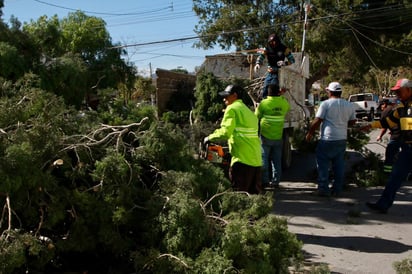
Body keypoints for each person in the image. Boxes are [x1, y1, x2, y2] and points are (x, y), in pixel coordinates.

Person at [204, 84, 262, 194]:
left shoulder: (232, 109)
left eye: (227, 96)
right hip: (256, 160)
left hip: (242, 160)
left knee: (239, 195)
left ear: (235, 95)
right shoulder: (248, 111)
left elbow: (225, 132)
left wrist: (209, 137)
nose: (224, 98)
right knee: (254, 198)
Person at [364, 78, 412, 213]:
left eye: (399, 91)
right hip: (407, 149)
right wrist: (370, 125)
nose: (397, 95)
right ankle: (383, 205)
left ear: (408, 90)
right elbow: (388, 122)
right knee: (395, 177)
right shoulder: (401, 108)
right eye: (396, 92)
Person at [305, 82, 356, 196]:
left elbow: (318, 120)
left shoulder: (326, 104)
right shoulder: (349, 105)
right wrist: (342, 122)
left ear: (330, 92)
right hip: (341, 139)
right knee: (338, 165)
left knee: (323, 164)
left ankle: (323, 189)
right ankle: (337, 189)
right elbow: (353, 122)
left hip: (328, 138)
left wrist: (310, 133)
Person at [255, 84, 290, 188]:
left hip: (265, 135)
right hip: (278, 135)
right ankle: (276, 181)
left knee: (264, 159)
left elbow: (256, 116)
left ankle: (265, 181)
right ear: (278, 92)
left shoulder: (264, 103)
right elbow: (287, 108)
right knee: (276, 160)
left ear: (268, 92)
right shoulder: (283, 103)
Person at [254, 33, 295, 99]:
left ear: (277, 41)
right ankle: (265, 104)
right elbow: (261, 56)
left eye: (274, 42)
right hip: (270, 73)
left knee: (273, 91)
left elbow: (292, 60)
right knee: (265, 90)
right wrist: (258, 63)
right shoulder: (267, 48)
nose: (273, 43)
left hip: (278, 73)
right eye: (271, 42)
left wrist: (284, 63)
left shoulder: (284, 49)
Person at [375, 99, 401, 174]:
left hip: (397, 135)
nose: (381, 108)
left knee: (390, 153)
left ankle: (387, 173)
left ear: (384, 104)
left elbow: (384, 127)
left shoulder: (385, 111)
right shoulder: (395, 107)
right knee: (403, 152)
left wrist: (379, 136)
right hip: (405, 133)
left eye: (381, 106)